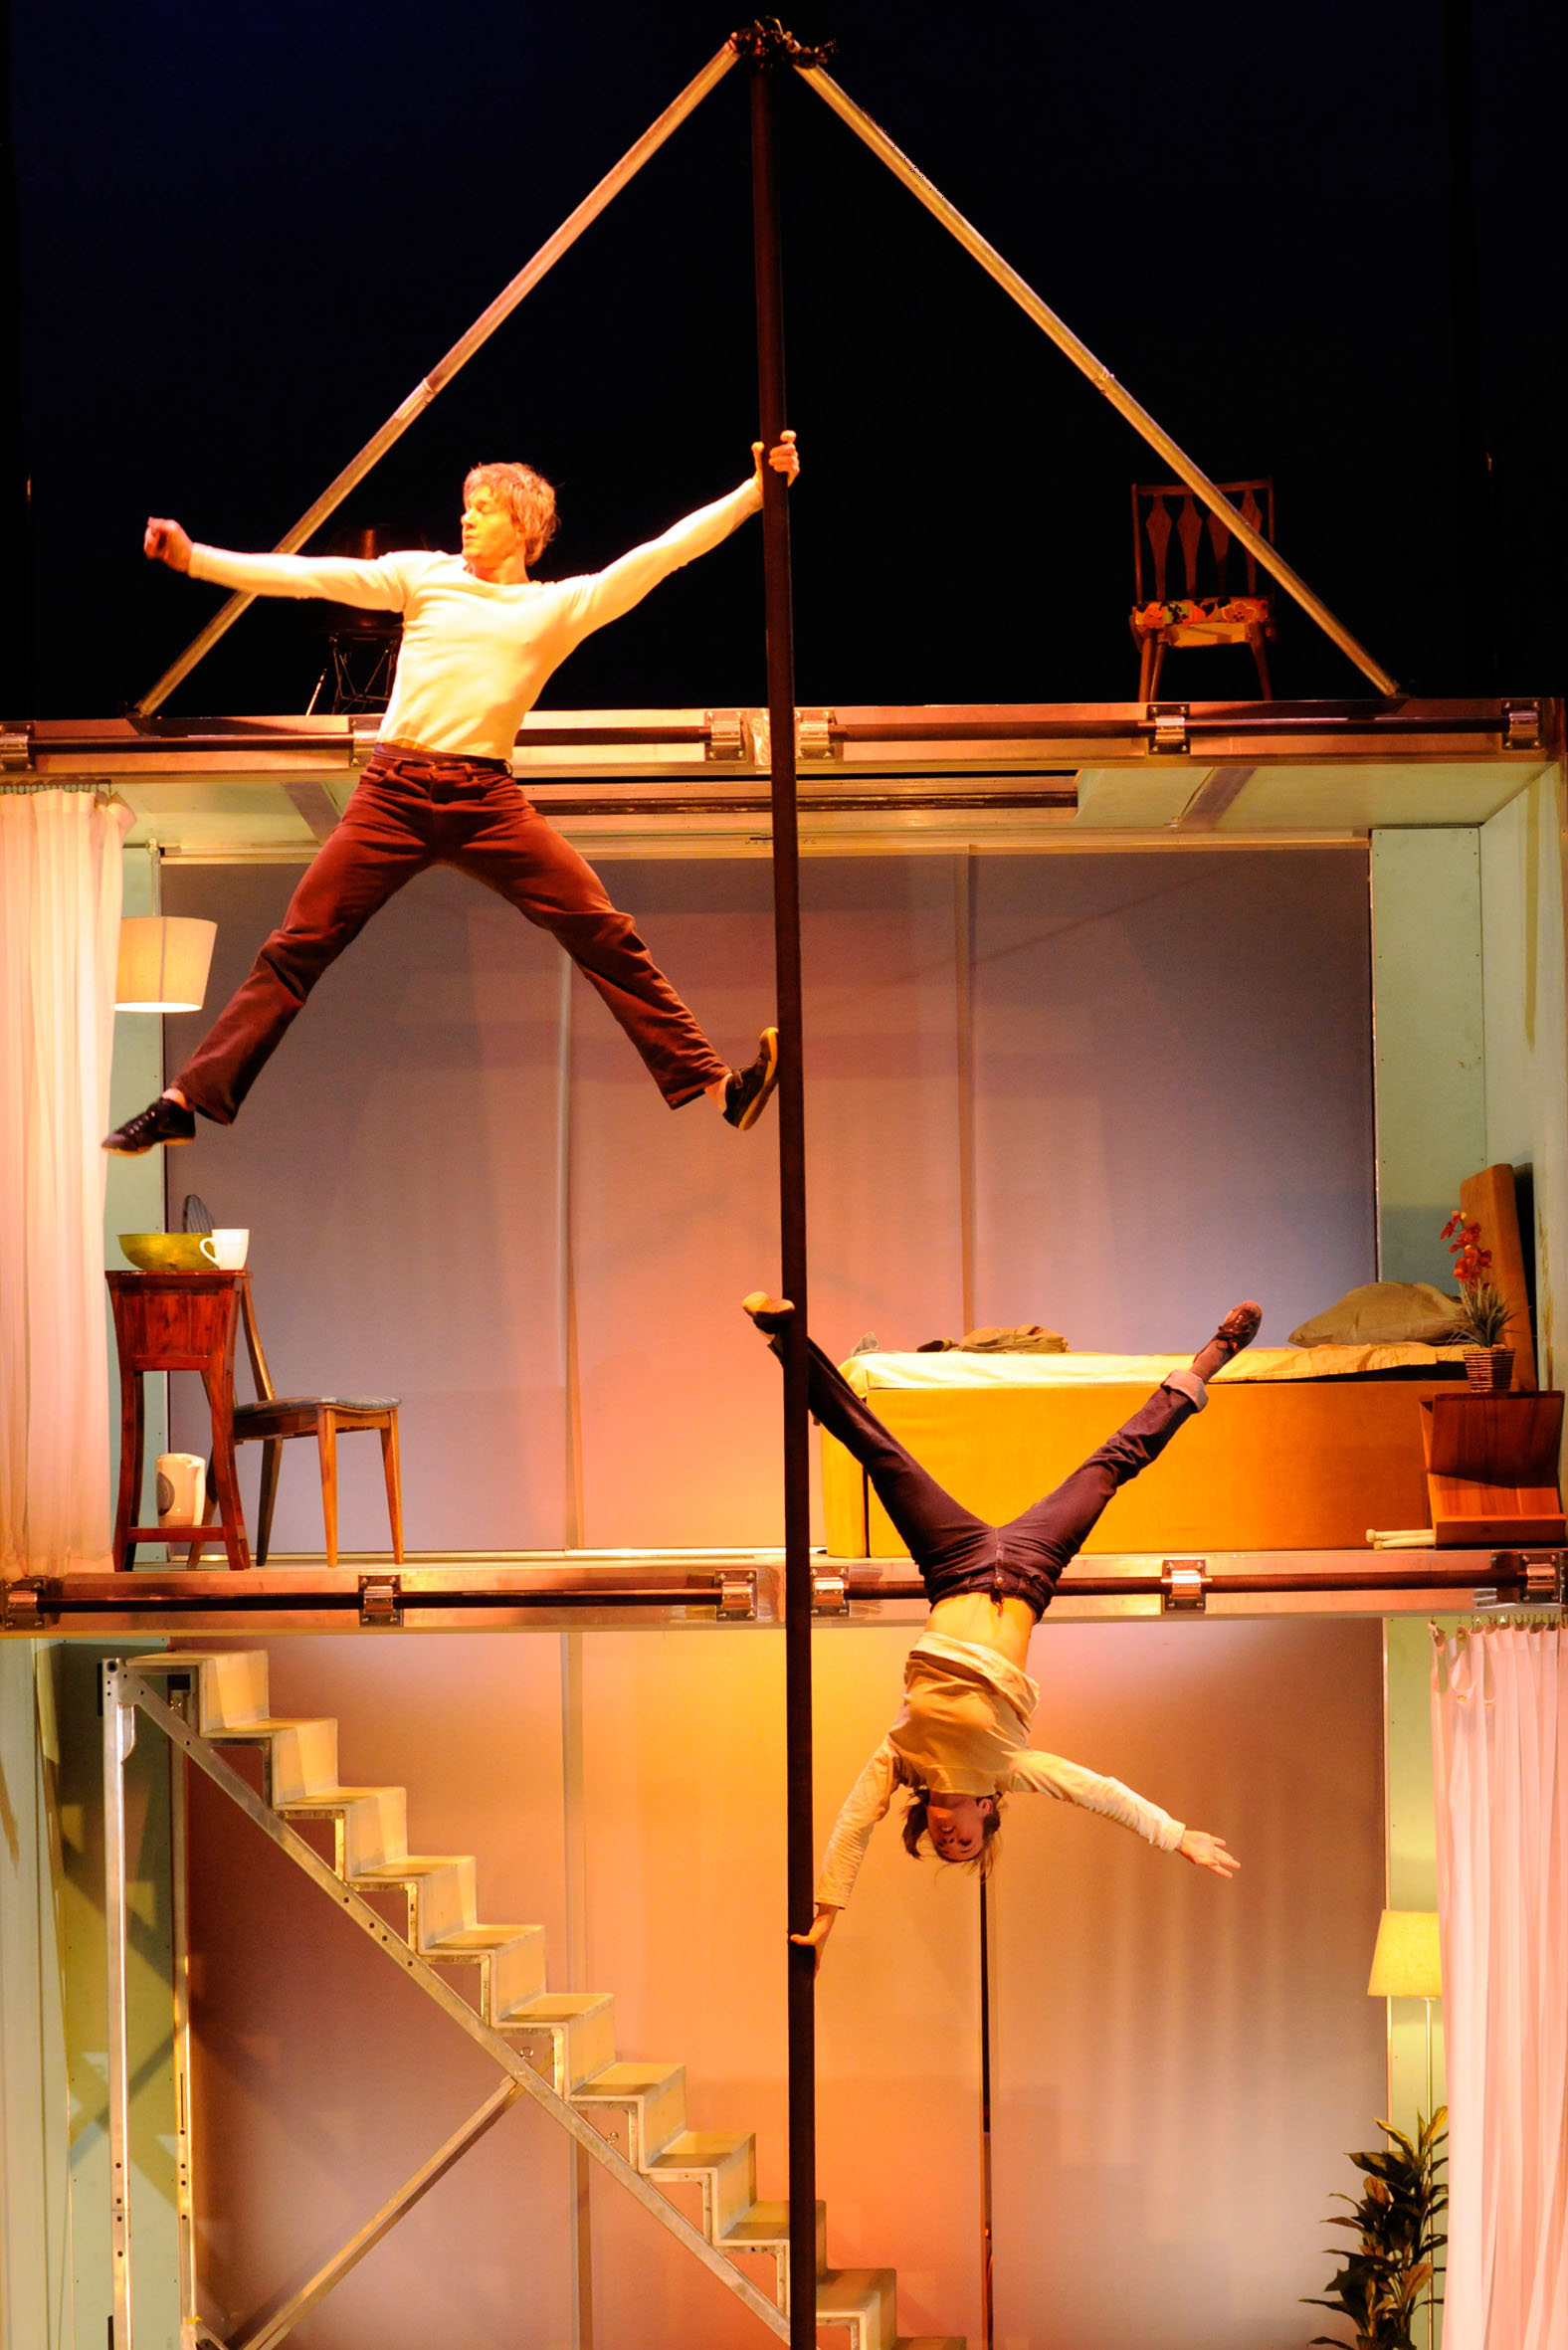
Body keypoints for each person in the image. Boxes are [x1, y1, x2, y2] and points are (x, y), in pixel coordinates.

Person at [103, 435, 803, 1154]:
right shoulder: (425, 575)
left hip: (486, 801)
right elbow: (310, 576)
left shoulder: (557, 606)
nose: (466, 518)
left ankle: (720, 1088)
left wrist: (756, 492)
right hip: (392, 792)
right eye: (466, 506)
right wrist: (196, 558)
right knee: (297, 944)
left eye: (484, 508)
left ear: (522, 524)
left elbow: (665, 552)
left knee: (601, 927)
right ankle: (185, 1099)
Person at [740, 1291, 1259, 1970]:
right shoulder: (1009, 1768)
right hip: (1029, 1572)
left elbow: (853, 1825)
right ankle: (1212, 1358)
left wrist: (828, 1910)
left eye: (942, 1842)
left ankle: (785, 1337)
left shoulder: (900, 1759)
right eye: (966, 1843)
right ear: (987, 1813)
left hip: (952, 1567)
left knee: (882, 1455)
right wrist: (1175, 1835)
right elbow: (1100, 1793)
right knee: (1112, 1464)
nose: (951, 1837)